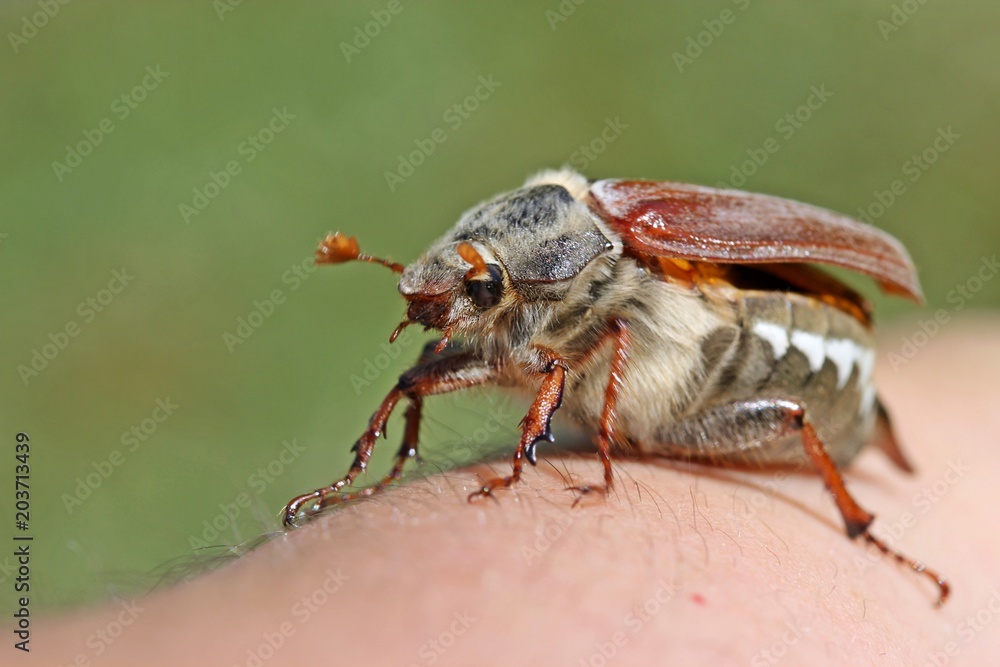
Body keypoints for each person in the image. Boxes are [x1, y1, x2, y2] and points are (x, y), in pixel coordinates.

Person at [36, 318, 1000, 666]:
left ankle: (863, 530)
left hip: (783, 370)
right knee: (435, 371)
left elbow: (612, 337)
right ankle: (386, 463)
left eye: (482, 290)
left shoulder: (598, 309)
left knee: (786, 415)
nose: (452, 322)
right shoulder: (527, 326)